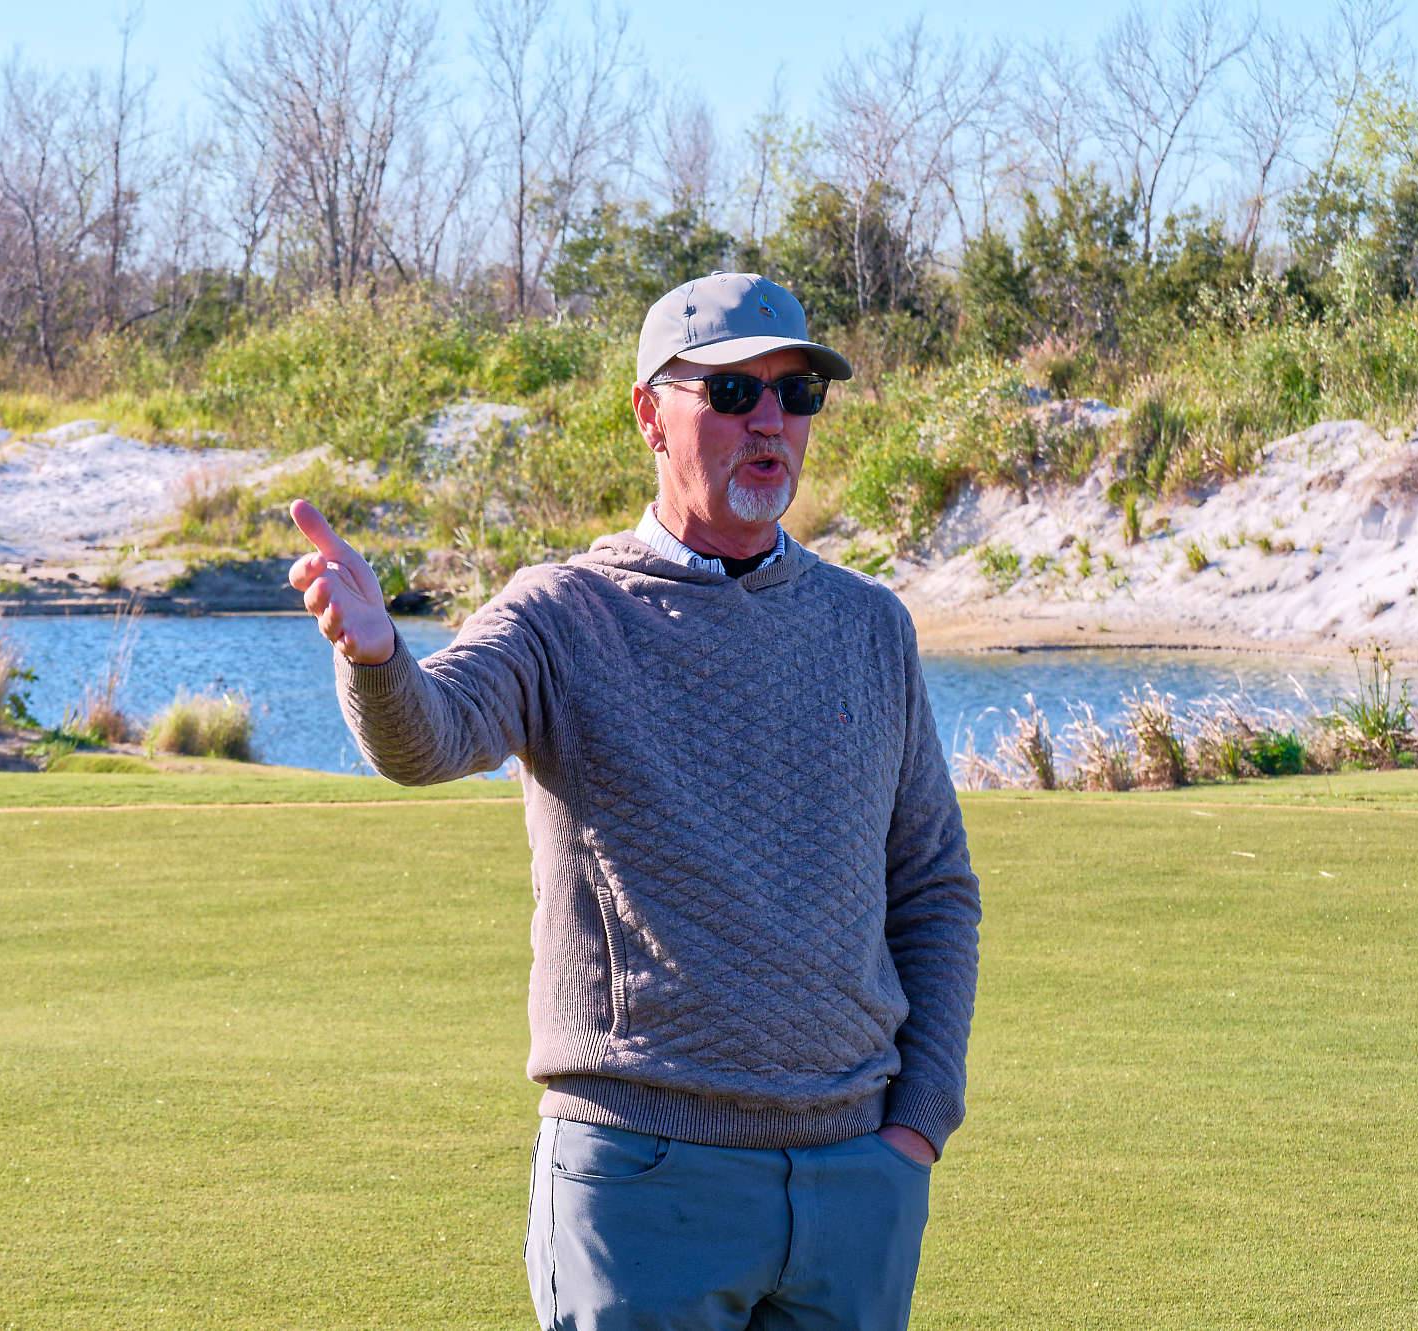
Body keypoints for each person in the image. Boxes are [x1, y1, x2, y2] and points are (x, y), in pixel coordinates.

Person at [287, 271, 981, 1331]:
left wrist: (914, 1126)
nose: (769, 423)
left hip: (853, 1181)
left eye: (795, 395)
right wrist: (378, 656)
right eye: (731, 392)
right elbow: (431, 738)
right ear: (648, 411)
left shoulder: (868, 625)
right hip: (643, 1179)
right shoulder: (564, 611)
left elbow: (931, 889)